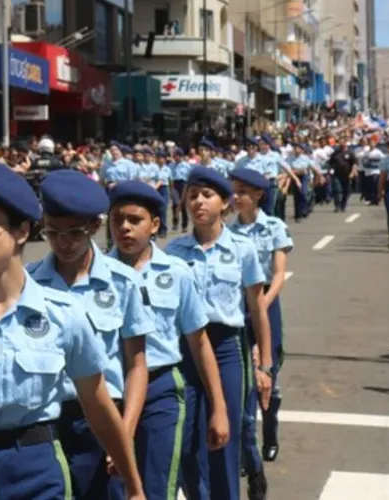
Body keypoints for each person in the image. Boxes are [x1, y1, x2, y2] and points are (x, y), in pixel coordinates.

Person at [0, 159, 145, 500]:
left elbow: (98, 407)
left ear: (22, 231)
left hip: (37, 467)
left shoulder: (64, 316)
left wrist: (134, 486)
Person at [24, 170, 151, 499]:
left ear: (95, 227)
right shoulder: (28, 284)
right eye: (53, 232)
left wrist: (124, 430)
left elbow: (136, 365)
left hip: (101, 420)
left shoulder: (121, 283)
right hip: (45, 422)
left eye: (75, 233)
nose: (64, 243)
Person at [106, 181, 230, 500]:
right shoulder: (97, 275)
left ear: (155, 225)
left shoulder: (176, 272)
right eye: (118, 219)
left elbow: (199, 343)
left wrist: (218, 408)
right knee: (112, 487)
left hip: (161, 389)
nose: (125, 227)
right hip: (109, 391)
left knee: (157, 483)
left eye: (135, 220)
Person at [164, 167, 272, 500]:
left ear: (224, 203)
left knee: (225, 436)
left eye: (207, 195)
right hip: (185, 350)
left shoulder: (242, 250)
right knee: (188, 439)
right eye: (192, 195)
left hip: (227, 348)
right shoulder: (173, 253)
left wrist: (265, 365)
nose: (198, 202)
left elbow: (257, 310)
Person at [227, 168, 294, 496]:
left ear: (258, 195)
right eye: (233, 190)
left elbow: (280, 274)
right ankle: (246, 447)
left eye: (242, 191)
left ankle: (270, 434)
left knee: (268, 372)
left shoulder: (274, 227)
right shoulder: (229, 231)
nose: (235, 196)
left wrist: (262, 306)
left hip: (266, 301)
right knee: (242, 377)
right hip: (237, 303)